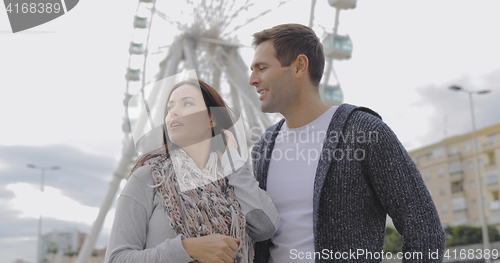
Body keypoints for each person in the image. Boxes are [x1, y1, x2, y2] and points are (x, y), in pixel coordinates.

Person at [248, 24, 446, 262]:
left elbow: (424, 229)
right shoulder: (263, 147)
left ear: (299, 66)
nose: (252, 79)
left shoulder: (365, 132)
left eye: (262, 68)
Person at [105, 79, 280, 263]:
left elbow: (265, 227)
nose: (173, 112)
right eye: (170, 107)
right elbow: (116, 258)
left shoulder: (233, 178)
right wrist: (187, 249)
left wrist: (234, 164)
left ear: (211, 119)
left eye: (187, 103)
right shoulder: (148, 179)